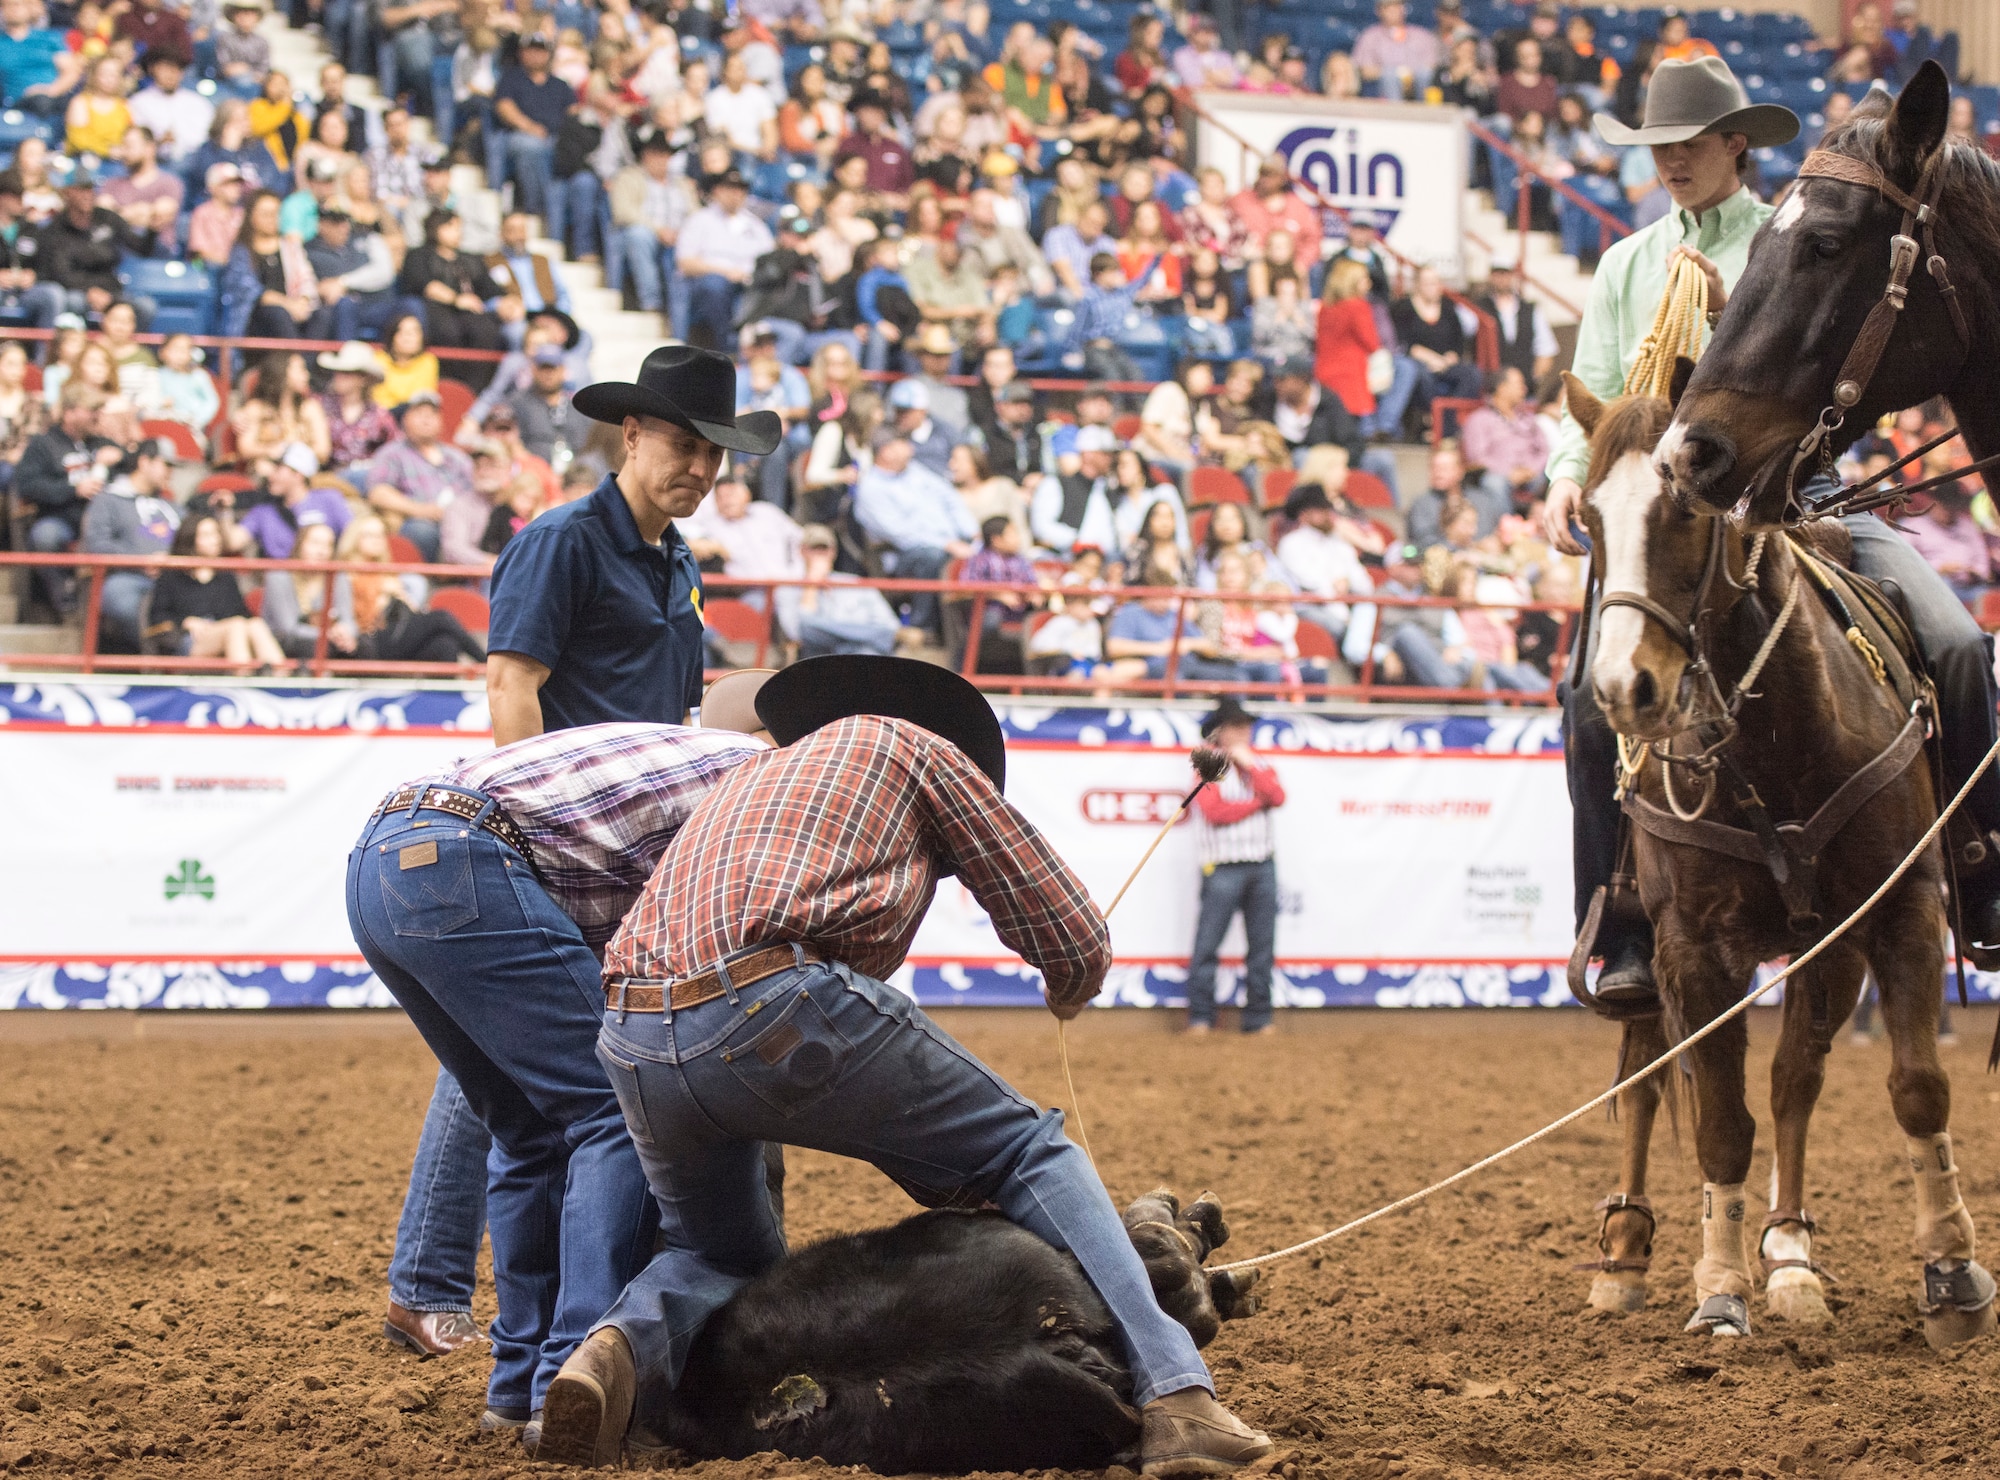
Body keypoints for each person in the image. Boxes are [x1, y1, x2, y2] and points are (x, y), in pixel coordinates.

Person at [539, 657, 1276, 1476]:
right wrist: (1072, 983)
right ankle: (1179, 1394)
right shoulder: (921, 749)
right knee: (1028, 1148)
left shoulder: (756, 778)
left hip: (635, 1034)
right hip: (771, 999)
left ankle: (607, 1351)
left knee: (714, 1251)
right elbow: (1067, 931)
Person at [1529, 57, 2000, 1003]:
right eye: (1659, 148)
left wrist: (1719, 317)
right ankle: (1617, 919)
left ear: (1734, 145)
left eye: (1689, 145)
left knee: (1953, 645)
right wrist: (1564, 479)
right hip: (1668, 515)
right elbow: (1598, 396)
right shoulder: (1626, 262)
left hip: (1804, 495)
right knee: (1588, 703)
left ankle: (1981, 880)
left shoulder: (1785, 237)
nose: (1671, 162)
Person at [350, 692, 771, 1427]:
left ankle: (520, 1390)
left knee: (527, 1128)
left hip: (383, 858)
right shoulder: (774, 782)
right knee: (617, 1105)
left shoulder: (692, 758)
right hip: (471, 852)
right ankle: (573, 1374)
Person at [487, 344, 780, 746]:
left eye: (715, 453)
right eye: (684, 445)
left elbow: (677, 714)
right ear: (632, 435)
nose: (701, 470)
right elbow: (509, 689)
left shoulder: (683, 563)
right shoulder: (560, 543)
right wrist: (539, 808)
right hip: (570, 802)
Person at [1183, 698, 1286, 1036]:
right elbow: (1216, 813)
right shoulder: (1207, 766)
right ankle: (1200, 1018)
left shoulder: (1259, 763)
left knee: (1261, 948)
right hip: (1223, 865)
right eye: (1237, 726)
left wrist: (1251, 769)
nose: (1245, 732)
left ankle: (1259, 1018)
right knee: (1207, 946)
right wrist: (1258, 802)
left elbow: (1279, 795)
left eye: (1246, 725)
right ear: (1221, 731)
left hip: (1260, 864)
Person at [854, 425, 976, 638]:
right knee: (932, 556)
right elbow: (902, 535)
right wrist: (946, 544)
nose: (910, 447)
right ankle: (923, 629)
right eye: (902, 442)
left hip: (953, 542)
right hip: (903, 557)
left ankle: (969, 633)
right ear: (886, 451)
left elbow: (949, 496)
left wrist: (973, 533)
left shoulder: (915, 470)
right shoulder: (871, 488)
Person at [79, 436, 183, 651]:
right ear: (144, 462)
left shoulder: (174, 506)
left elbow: (193, 539)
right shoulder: (109, 500)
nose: (170, 473)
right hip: (129, 577)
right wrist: (141, 561)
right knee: (120, 596)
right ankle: (156, 658)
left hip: (175, 578)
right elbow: (97, 545)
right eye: (166, 465)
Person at [147, 513, 289, 668]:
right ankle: (242, 681)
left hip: (229, 632)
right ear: (190, 538)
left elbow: (241, 613)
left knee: (255, 624)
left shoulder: (225, 575)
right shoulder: (171, 575)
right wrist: (185, 622)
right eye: (207, 535)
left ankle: (282, 680)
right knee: (235, 626)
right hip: (187, 640)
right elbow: (157, 616)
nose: (215, 540)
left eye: (216, 534)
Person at [397, 211, 506, 392]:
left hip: (470, 311)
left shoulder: (470, 259)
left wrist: (508, 301)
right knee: (448, 332)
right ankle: (448, 385)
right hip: (434, 309)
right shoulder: (418, 255)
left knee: (486, 330)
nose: (459, 233)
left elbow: (490, 288)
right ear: (436, 229)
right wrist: (456, 299)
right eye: (452, 227)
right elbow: (423, 284)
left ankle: (475, 389)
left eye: (459, 228)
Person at [674, 169, 775, 350]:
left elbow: (770, 259)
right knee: (715, 285)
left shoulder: (756, 226)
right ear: (717, 191)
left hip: (748, 282)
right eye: (729, 189)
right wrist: (725, 272)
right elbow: (686, 263)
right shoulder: (699, 220)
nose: (735, 194)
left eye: (739, 189)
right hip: (709, 281)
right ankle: (727, 344)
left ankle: (752, 347)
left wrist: (748, 275)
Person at [776, 522, 902, 656]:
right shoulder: (787, 587)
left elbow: (890, 627)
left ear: (834, 552)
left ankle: (848, 649)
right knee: (806, 627)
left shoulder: (855, 582)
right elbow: (797, 633)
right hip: (817, 659)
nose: (820, 554)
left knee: (866, 653)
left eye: (824, 549)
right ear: (802, 551)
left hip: (860, 654)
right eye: (814, 548)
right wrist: (811, 585)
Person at [242, 442, 351, 559]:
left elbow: (353, 536)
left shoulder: (329, 499)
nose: (271, 477)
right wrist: (224, 512)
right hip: (279, 574)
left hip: (321, 572)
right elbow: (234, 541)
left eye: (278, 470)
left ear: (298, 474)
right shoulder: (264, 510)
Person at [1461, 367, 1550, 508]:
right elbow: (1477, 458)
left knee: (1554, 478)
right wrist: (1510, 472)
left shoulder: (1528, 419)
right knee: (1494, 483)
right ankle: (1507, 527)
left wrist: (1531, 470)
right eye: (1519, 384)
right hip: (1498, 475)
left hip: (1531, 475)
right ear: (1502, 388)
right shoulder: (1479, 419)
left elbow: (1544, 451)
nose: (1524, 389)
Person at [128, 48, 213, 166]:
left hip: (196, 163)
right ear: (153, 69)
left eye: (175, 69)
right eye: (165, 69)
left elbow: (208, 138)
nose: (171, 74)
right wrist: (159, 142)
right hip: (157, 164)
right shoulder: (138, 102)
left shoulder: (198, 102)